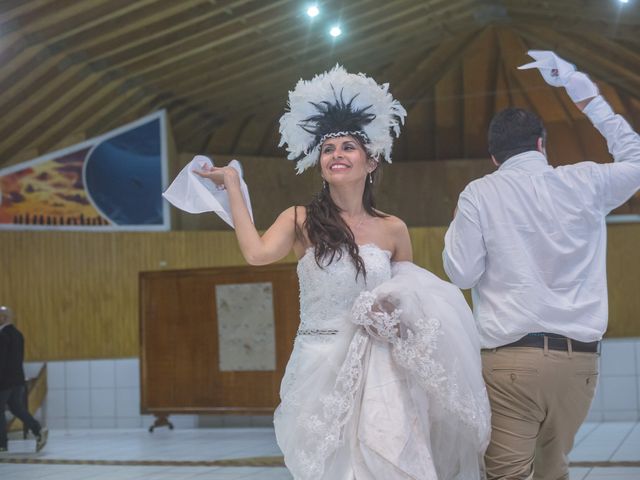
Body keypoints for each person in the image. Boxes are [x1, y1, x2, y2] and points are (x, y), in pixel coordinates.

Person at [165, 66, 490, 479]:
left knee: (391, 463)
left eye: (348, 146)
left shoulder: (393, 228)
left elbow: (410, 294)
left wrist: (389, 312)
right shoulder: (300, 219)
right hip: (319, 362)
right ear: (319, 164)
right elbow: (256, 253)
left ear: (370, 161)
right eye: (328, 148)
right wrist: (231, 183)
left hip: (382, 368)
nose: (337, 154)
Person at [443, 50, 640, 480]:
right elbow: (636, 159)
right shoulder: (585, 181)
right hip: (580, 367)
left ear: (494, 157)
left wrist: (455, 226)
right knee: (553, 472)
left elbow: (461, 274)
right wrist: (579, 88)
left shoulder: (479, 193)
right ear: (540, 144)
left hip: (511, 364)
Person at [0, 306, 48, 453]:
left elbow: (1, 360)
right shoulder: (18, 334)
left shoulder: (2, 335)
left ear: (3, 317)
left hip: (5, 380)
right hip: (18, 379)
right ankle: (38, 430)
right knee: (17, 408)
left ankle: (2, 444)